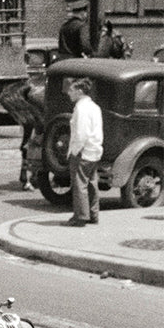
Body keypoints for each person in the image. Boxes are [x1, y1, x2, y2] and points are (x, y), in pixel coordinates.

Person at [65, 76, 102, 227]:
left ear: (80, 91)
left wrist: (74, 152)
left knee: (80, 184)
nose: (69, 93)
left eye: (71, 90)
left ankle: (80, 217)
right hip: (95, 150)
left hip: (83, 151)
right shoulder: (94, 106)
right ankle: (93, 214)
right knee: (92, 183)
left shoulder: (81, 108)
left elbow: (81, 134)